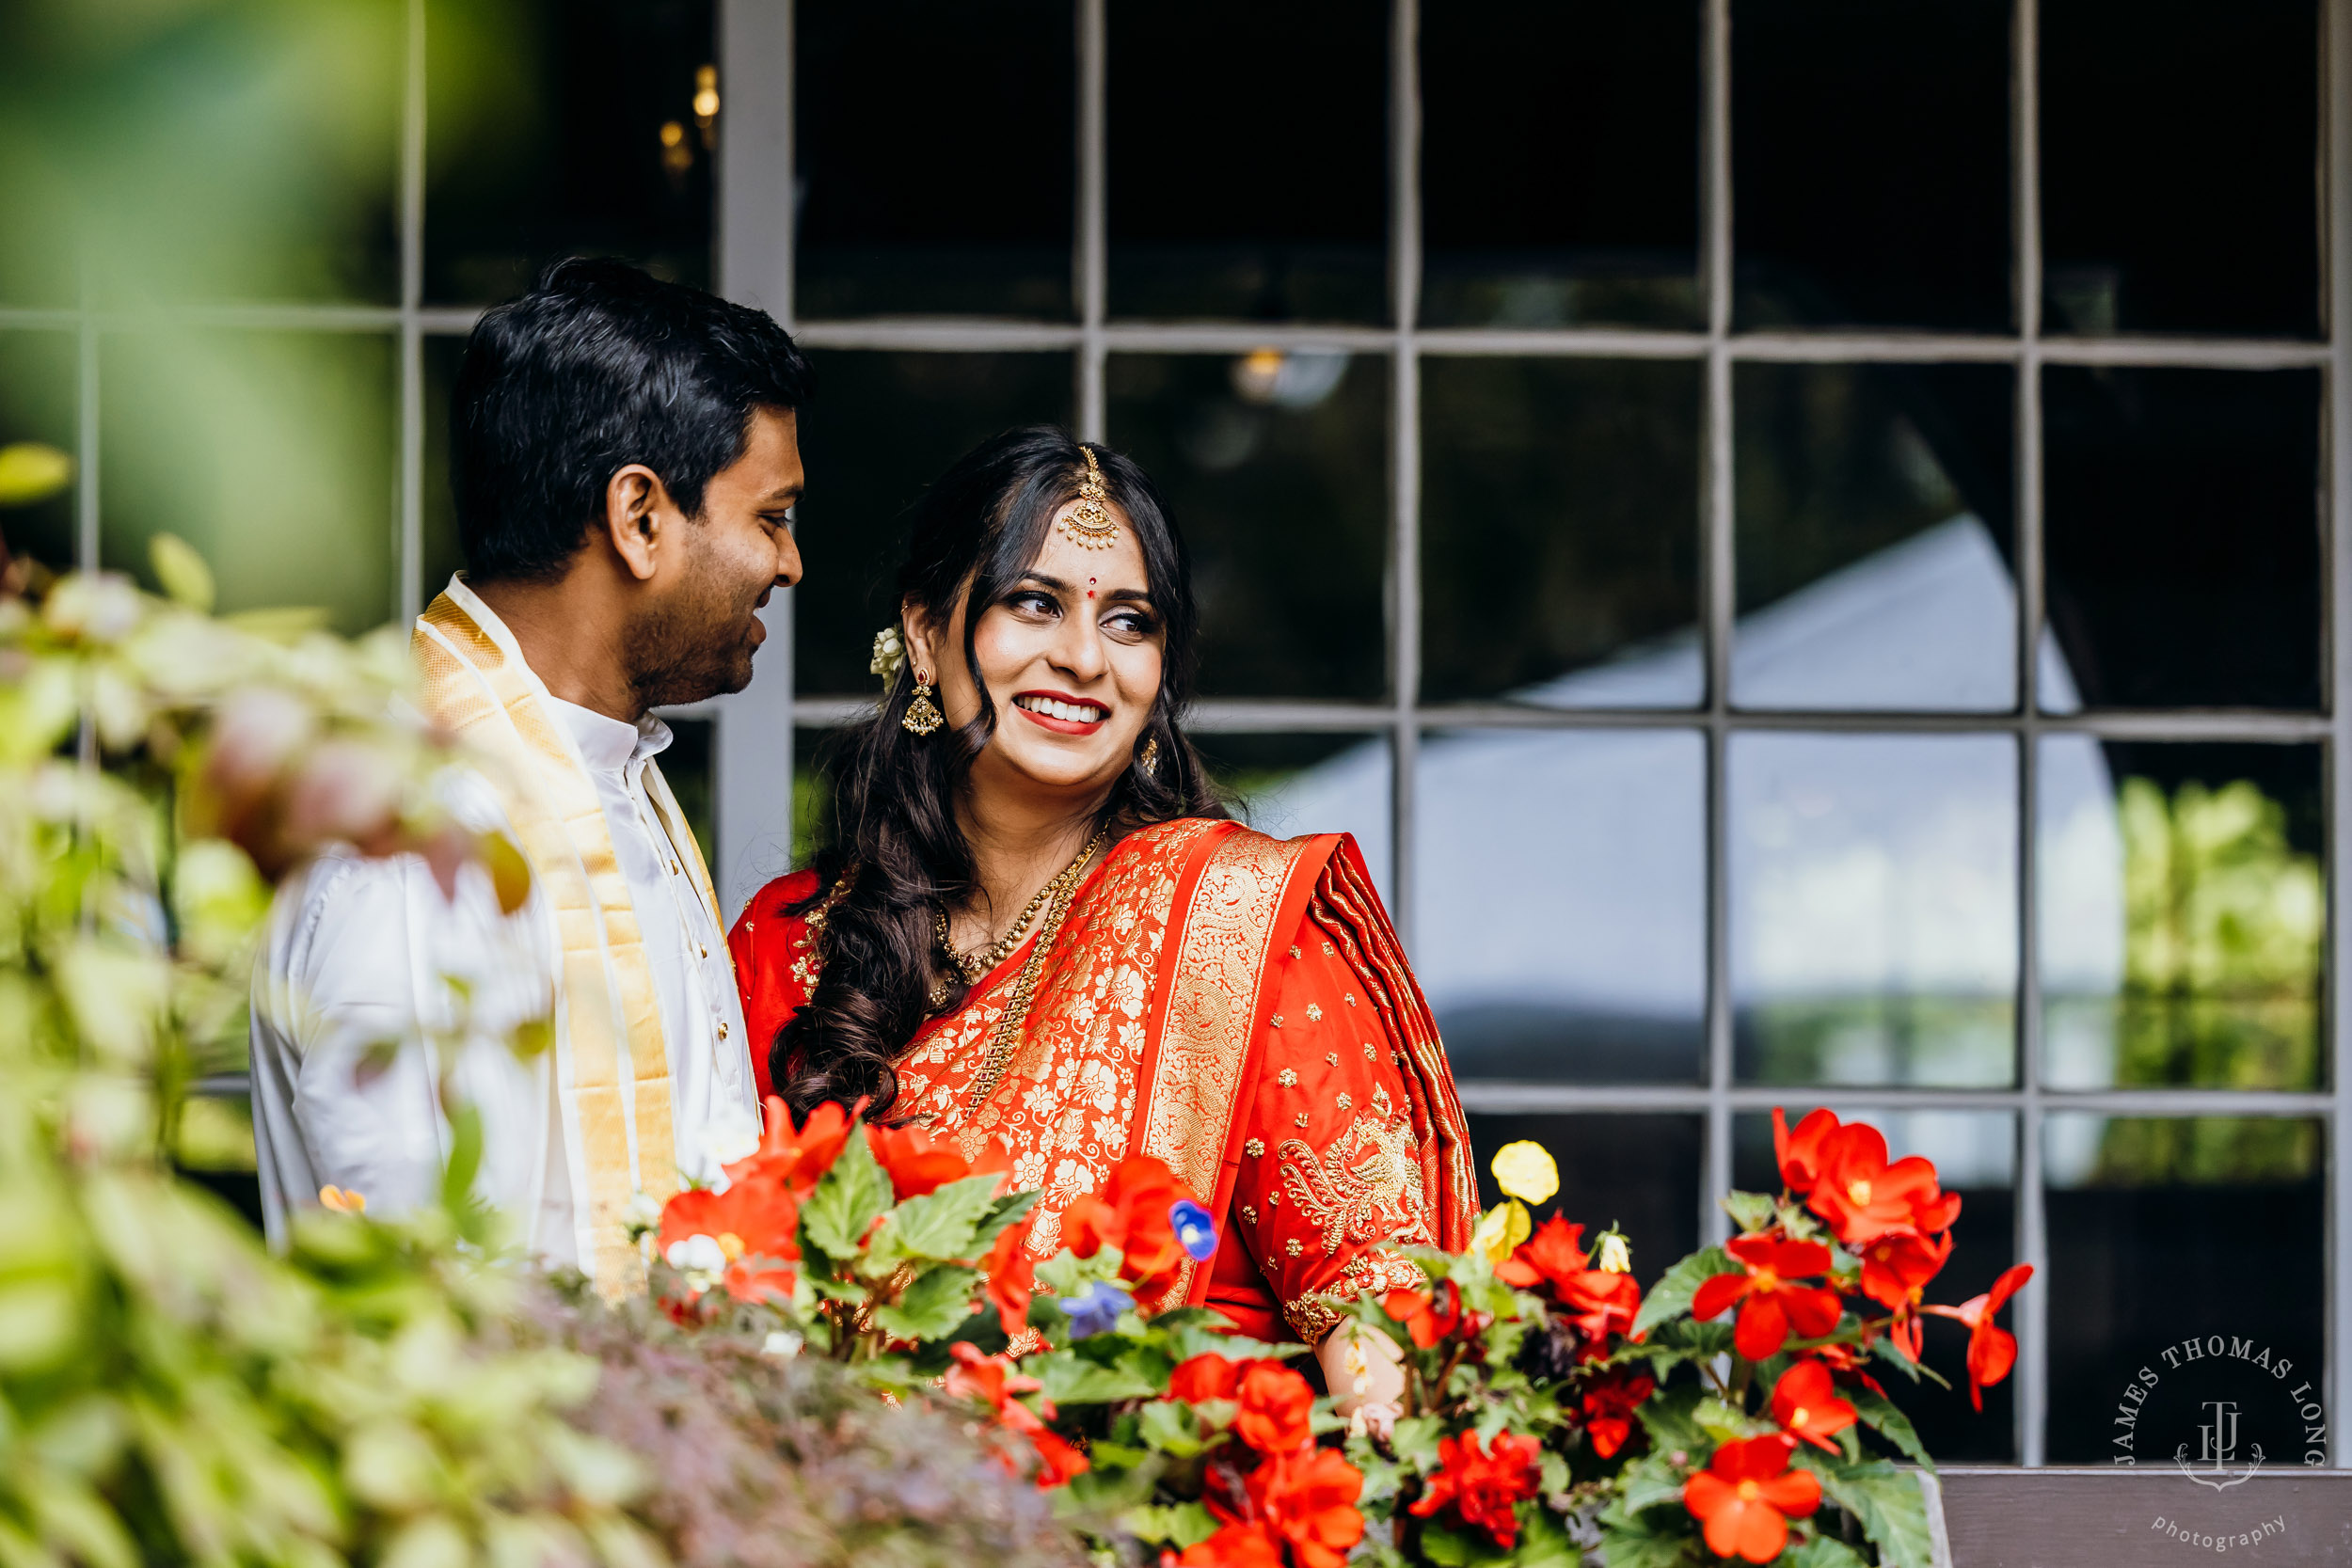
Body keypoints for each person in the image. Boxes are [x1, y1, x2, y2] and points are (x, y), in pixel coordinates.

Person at [729, 427, 1476, 1403]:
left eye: (1130, 621)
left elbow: (1388, 1341)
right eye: (1031, 603)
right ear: (923, 632)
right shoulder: (788, 946)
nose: (1084, 657)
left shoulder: (1235, 929)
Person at [251, 258, 812, 1292]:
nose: (789, 564)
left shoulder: (607, 764)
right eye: (770, 516)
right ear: (640, 516)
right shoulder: (418, 822)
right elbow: (416, 1280)